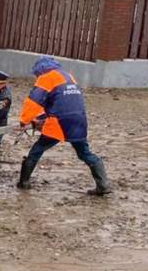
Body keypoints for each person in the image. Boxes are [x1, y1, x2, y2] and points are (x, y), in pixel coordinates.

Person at [17, 56, 111, 196]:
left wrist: (24, 121)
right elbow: (63, 102)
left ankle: (23, 183)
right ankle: (103, 186)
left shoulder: (46, 78)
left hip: (60, 122)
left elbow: (33, 102)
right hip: (79, 119)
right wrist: (41, 117)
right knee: (84, 153)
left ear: (40, 70)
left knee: (37, 149)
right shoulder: (68, 76)